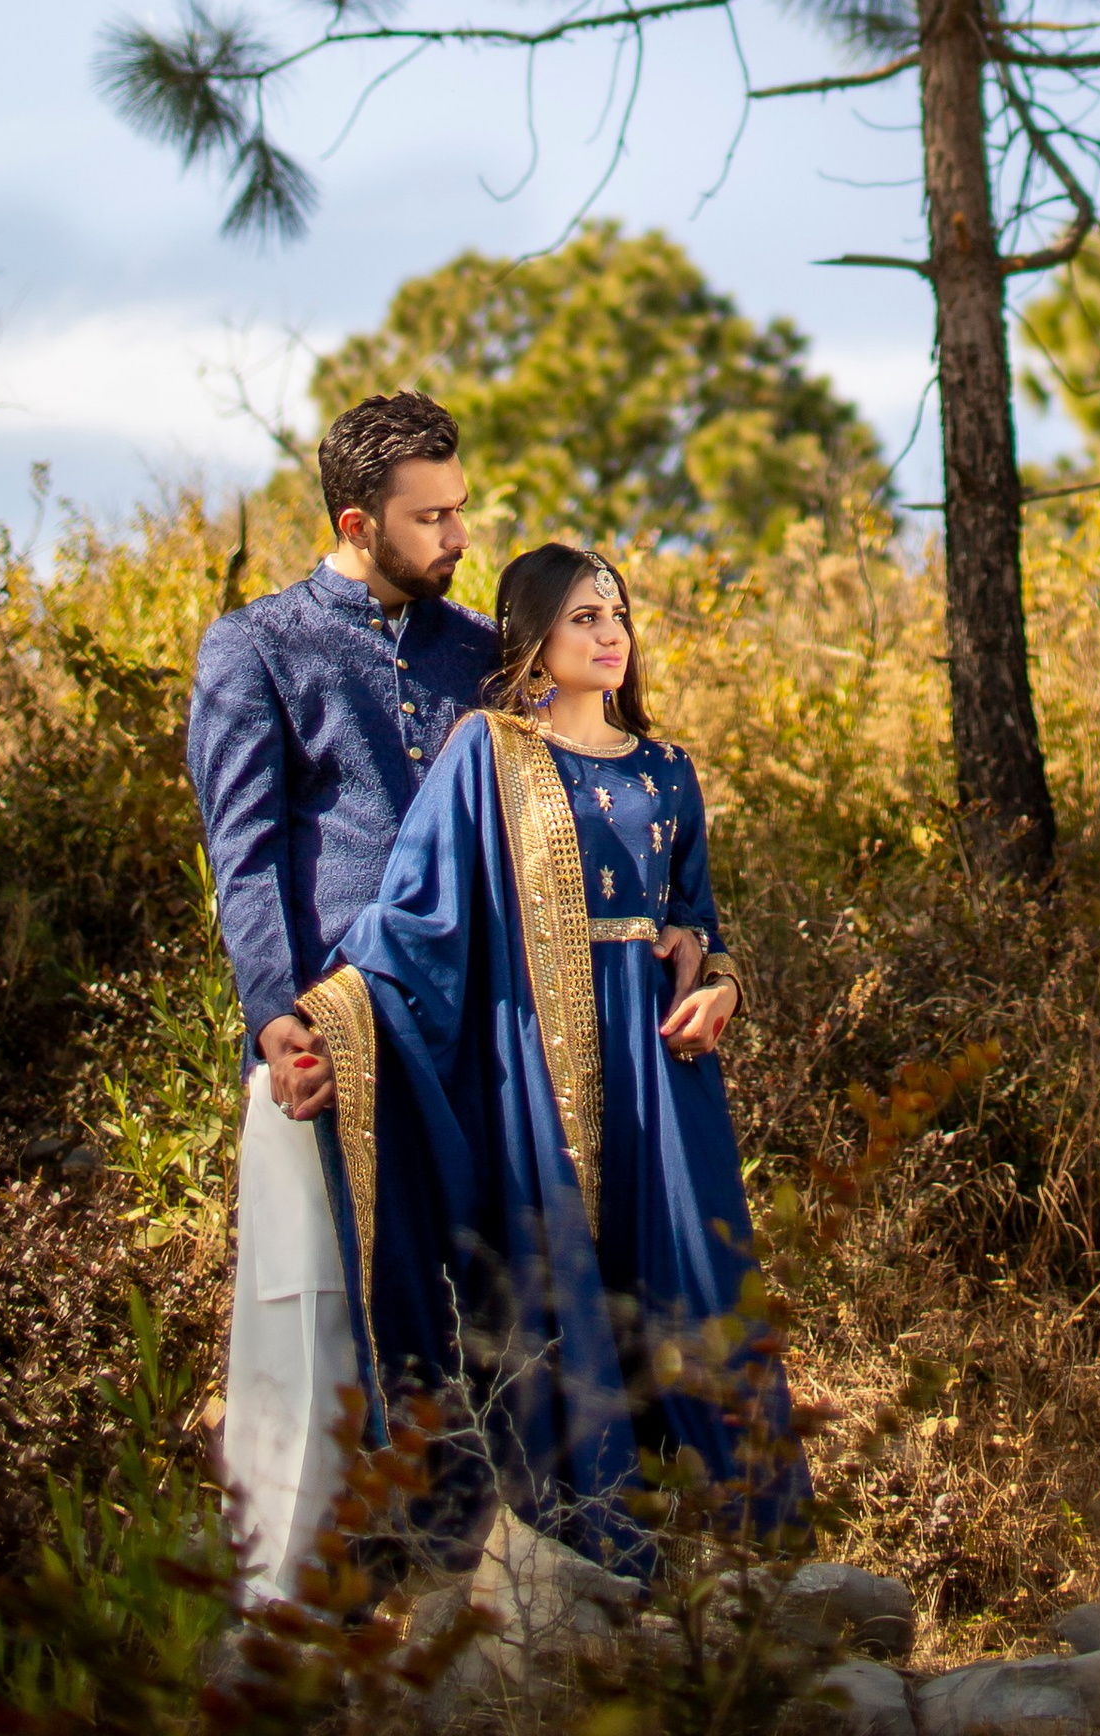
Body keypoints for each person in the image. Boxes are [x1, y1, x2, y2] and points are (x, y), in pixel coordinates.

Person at [185, 397, 706, 1595]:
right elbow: (246, 854)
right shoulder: (259, 650)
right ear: (359, 521)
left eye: (462, 507)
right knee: (342, 1301)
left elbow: (588, 790)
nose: (458, 533)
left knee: (496, 1276)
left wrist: (678, 926)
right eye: (433, 517)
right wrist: (276, 1012)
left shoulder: (481, 650)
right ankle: (331, 1581)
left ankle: (508, 1559)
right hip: (344, 1030)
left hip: (496, 1028)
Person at [298, 542, 806, 1569]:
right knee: (563, 1280)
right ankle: (591, 1539)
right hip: (543, 1065)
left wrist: (720, 983)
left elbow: (699, 919)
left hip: (666, 1075)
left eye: (617, 613)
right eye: (582, 616)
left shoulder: (669, 773)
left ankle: (746, 1543)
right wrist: (327, 1019)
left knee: (696, 1282)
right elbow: (416, 919)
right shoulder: (486, 756)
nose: (609, 633)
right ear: (531, 639)